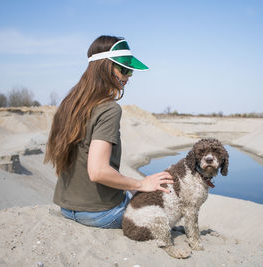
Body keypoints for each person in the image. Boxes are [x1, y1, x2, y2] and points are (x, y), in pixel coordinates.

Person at [44, 35, 173, 229]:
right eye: (124, 69)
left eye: (130, 70)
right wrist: (141, 184)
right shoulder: (109, 109)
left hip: (67, 207)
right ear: (105, 67)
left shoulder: (69, 104)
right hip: (100, 213)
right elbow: (98, 172)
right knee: (165, 211)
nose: (128, 76)